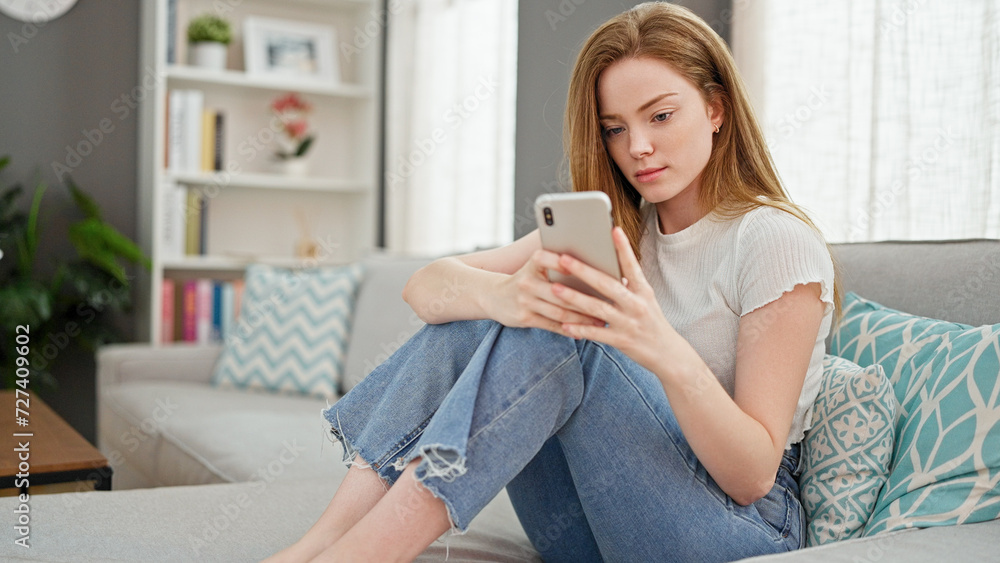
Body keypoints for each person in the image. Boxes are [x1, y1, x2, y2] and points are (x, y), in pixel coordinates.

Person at [266, 2, 838, 561]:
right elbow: (426, 287)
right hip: (595, 525)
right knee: (509, 309)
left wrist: (658, 346)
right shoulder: (616, 230)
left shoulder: (772, 240)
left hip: (737, 532)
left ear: (716, 108)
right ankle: (321, 546)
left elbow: (754, 475)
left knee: (564, 327)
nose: (637, 147)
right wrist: (503, 296)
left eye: (660, 116)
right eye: (615, 128)